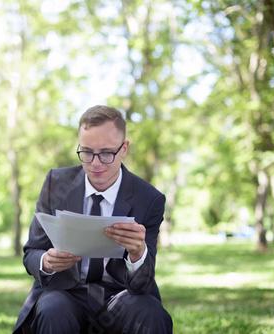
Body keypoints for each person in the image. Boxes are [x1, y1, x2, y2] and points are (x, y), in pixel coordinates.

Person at [13, 105, 173, 334]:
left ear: (124, 148)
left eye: (106, 153)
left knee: (150, 312)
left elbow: (143, 283)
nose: (95, 163)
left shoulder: (149, 199)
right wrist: (46, 262)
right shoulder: (55, 184)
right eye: (87, 152)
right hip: (67, 292)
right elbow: (31, 253)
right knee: (51, 308)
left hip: (121, 295)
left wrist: (138, 253)